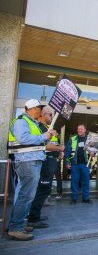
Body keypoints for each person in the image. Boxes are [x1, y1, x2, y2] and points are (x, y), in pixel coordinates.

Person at [7, 99, 56, 241]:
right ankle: (16, 228)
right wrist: (43, 136)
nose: (40, 111)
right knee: (26, 195)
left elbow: (37, 141)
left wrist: (47, 137)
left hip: (31, 160)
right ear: (33, 108)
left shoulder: (31, 122)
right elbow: (23, 138)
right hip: (26, 161)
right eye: (39, 108)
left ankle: (19, 223)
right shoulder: (21, 121)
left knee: (26, 195)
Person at [27, 106, 64, 229]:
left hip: (51, 161)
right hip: (45, 162)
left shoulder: (49, 129)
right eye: (50, 114)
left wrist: (59, 153)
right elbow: (45, 146)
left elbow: (52, 144)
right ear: (42, 114)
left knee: (45, 190)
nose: (51, 117)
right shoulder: (40, 128)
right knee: (42, 189)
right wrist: (59, 149)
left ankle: (36, 214)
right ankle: (33, 218)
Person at [64, 124, 93, 204]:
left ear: (85, 130)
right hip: (74, 164)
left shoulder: (89, 139)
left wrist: (92, 154)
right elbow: (67, 152)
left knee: (86, 182)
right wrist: (67, 162)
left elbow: (93, 151)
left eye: (81, 129)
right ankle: (74, 198)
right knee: (74, 181)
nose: (80, 130)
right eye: (78, 129)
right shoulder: (72, 139)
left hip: (85, 164)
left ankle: (86, 198)